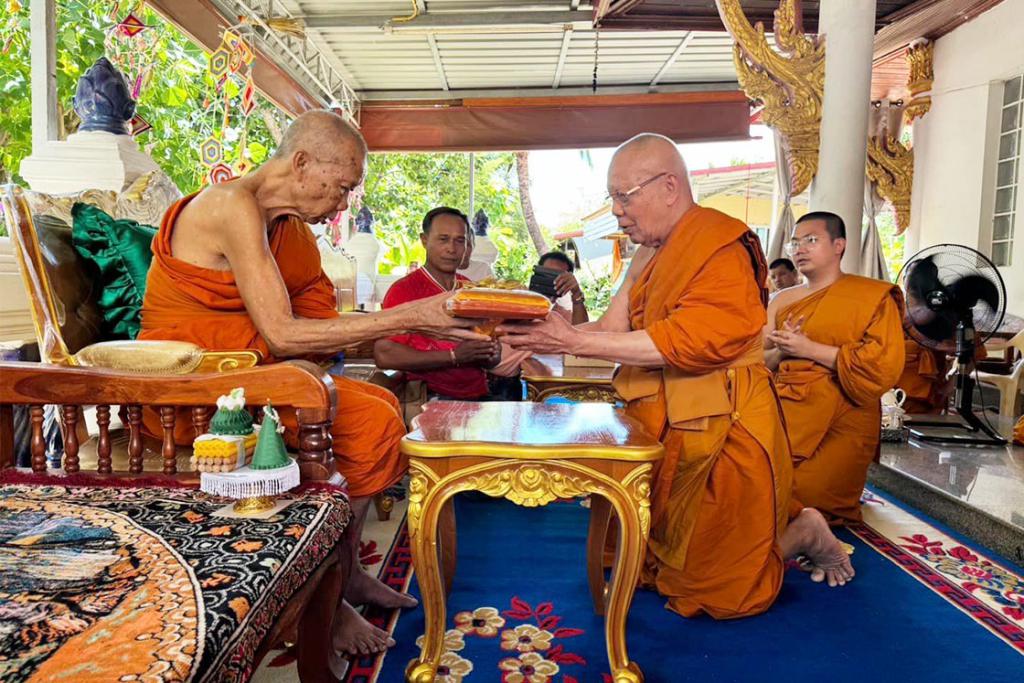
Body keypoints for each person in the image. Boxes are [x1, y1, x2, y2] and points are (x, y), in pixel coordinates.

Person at [139, 110, 481, 656]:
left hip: (259, 377)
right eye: (342, 186)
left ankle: (341, 574)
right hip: (202, 392)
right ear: (300, 164)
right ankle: (324, 597)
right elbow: (281, 330)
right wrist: (414, 316)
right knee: (368, 416)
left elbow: (313, 314)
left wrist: (338, 345)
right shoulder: (230, 205)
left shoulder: (289, 229)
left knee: (381, 408)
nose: (344, 203)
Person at [500, 134, 855, 620]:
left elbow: (690, 341)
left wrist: (573, 342)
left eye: (626, 196)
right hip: (661, 411)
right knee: (653, 552)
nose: (618, 211)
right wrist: (533, 340)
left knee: (723, 591)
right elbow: (611, 328)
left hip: (724, 412)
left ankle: (807, 532)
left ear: (669, 186)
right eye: (613, 197)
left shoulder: (720, 244)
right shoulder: (647, 252)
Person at [765, 211, 906, 525]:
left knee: (805, 495)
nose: (800, 249)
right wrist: (782, 352)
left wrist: (808, 349)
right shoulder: (780, 301)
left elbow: (881, 367)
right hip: (785, 407)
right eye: (794, 243)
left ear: (839, 245)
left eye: (811, 240)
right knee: (749, 482)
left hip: (846, 412)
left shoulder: (870, 297)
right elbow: (755, 361)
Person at [374, 207, 501, 400]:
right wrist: (453, 356)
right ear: (424, 240)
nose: (451, 248)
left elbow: (490, 358)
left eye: (460, 241)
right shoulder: (405, 290)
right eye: (443, 239)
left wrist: (492, 354)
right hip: (432, 396)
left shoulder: (471, 289)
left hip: (479, 395)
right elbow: (385, 354)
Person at [537, 251, 590, 324]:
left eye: (557, 276)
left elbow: (581, 330)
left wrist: (576, 293)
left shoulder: (563, 315)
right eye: (546, 273)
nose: (551, 280)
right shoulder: (521, 297)